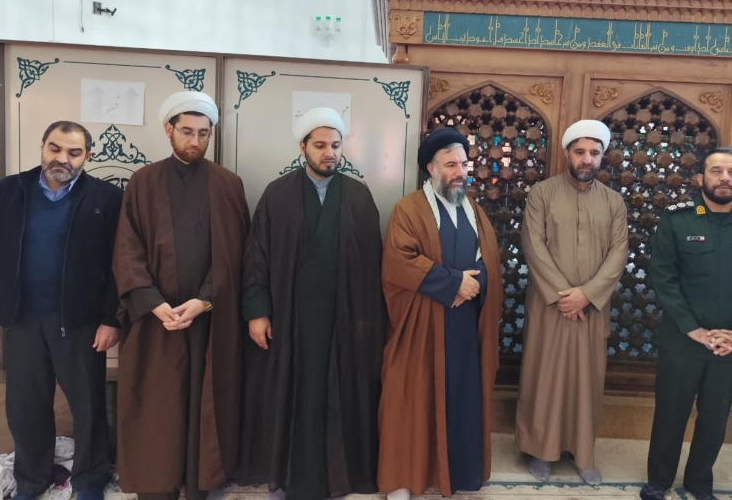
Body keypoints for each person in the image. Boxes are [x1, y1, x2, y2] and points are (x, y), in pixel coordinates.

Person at [238, 107, 385, 500]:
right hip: (290, 318)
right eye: (320, 145)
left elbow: (373, 265)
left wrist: (367, 321)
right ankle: (288, 477)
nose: (329, 153)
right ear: (302, 147)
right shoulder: (277, 194)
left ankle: (339, 476)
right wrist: (257, 312)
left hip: (343, 318)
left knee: (339, 394)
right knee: (294, 395)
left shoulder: (358, 195)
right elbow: (256, 258)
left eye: (335, 145)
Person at [113, 91, 250, 500]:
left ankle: (201, 483)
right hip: (156, 319)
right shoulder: (143, 181)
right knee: (159, 405)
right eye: (187, 131)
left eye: (203, 133)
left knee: (204, 402)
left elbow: (236, 252)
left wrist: (205, 299)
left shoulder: (228, 184)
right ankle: (157, 485)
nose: (195, 140)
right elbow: (127, 247)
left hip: (209, 317)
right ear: (168, 130)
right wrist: (153, 302)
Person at [0, 121, 122, 500]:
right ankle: (32, 480)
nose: (62, 158)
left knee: (88, 406)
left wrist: (111, 318)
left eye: (74, 152)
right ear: (42, 146)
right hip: (21, 321)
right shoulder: (6, 193)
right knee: (25, 407)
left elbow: (119, 263)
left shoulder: (106, 198)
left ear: (88, 156)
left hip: (81, 322)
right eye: (55, 148)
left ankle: (90, 480)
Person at [641, 147, 732, 500]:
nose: (724, 178)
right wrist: (693, 328)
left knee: (715, 417)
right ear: (700, 177)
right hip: (683, 339)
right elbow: (663, 277)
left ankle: (699, 482)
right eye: (717, 171)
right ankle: (659, 480)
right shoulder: (678, 219)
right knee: (670, 413)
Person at [378, 127, 503, 499]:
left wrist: (474, 284)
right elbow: (399, 261)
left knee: (462, 399)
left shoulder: (474, 211)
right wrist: (453, 284)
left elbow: (489, 259)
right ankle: (404, 479)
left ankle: (459, 474)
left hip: (464, 326)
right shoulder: (409, 209)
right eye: (451, 165)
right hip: (422, 322)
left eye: (463, 164)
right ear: (431, 168)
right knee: (411, 400)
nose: (460, 172)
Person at [515, 119, 628, 485]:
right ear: (567, 153)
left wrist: (587, 295)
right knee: (544, 377)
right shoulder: (542, 194)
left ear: (602, 157)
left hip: (591, 310)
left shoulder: (614, 202)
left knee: (586, 382)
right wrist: (565, 294)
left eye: (594, 153)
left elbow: (618, 253)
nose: (586, 159)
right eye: (580, 152)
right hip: (551, 307)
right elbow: (533, 245)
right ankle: (541, 450)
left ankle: (583, 453)